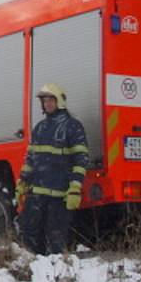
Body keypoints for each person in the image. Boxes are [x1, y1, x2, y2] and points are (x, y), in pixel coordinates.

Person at [16, 83, 89, 254]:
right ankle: (34, 273)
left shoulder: (72, 126)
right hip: (37, 195)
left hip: (59, 196)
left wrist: (75, 188)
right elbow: (31, 159)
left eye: (51, 100)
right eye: (45, 101)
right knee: (29, 234)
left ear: (59, 102)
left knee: (57, 239)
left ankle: (57, 274)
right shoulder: (40, 128)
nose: (47, 104)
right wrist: (22, 183)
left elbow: (81, 159)